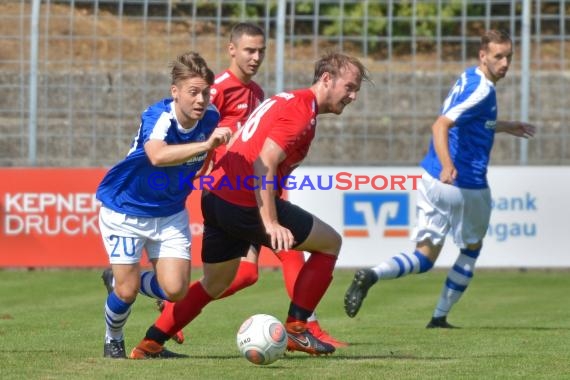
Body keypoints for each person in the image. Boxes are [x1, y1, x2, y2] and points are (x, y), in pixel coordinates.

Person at [129, 51, 370, 358]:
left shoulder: (287, 100)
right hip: (243, 200)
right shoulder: (300, 111)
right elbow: (264, 162)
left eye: (356, 90)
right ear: (326, 79)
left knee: (216, 282)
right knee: (330, 243)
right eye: (349, 87)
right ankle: (298, 328)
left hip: (217, 195)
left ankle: (149, 344)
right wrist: (269, 222)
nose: (353, 95)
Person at [344, 29, 536, 327]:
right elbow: (440, 125)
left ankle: (372, 274)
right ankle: (439, 317)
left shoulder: (470, 77)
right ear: (483, 56)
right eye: (499, 56)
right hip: (464, 183)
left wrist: (505, 125)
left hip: (431, 180)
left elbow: (470, 121)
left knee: (423, 258)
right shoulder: (482, 89)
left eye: (509, 56)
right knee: (471, 248)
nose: (506, 63)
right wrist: (449, 164)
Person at [97, 51, 232, 359]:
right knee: (127, 292)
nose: (200, 99)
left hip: (170, 213)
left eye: (205, 93)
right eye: (193, 92)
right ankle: (113, 338)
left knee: (176, 290)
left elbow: (202, 155)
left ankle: (120, 280)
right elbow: (157, 155)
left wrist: (206, 161)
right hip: (125, 210)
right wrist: (206, 146)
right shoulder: (158, 117)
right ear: (175, 92)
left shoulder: (210, 117)